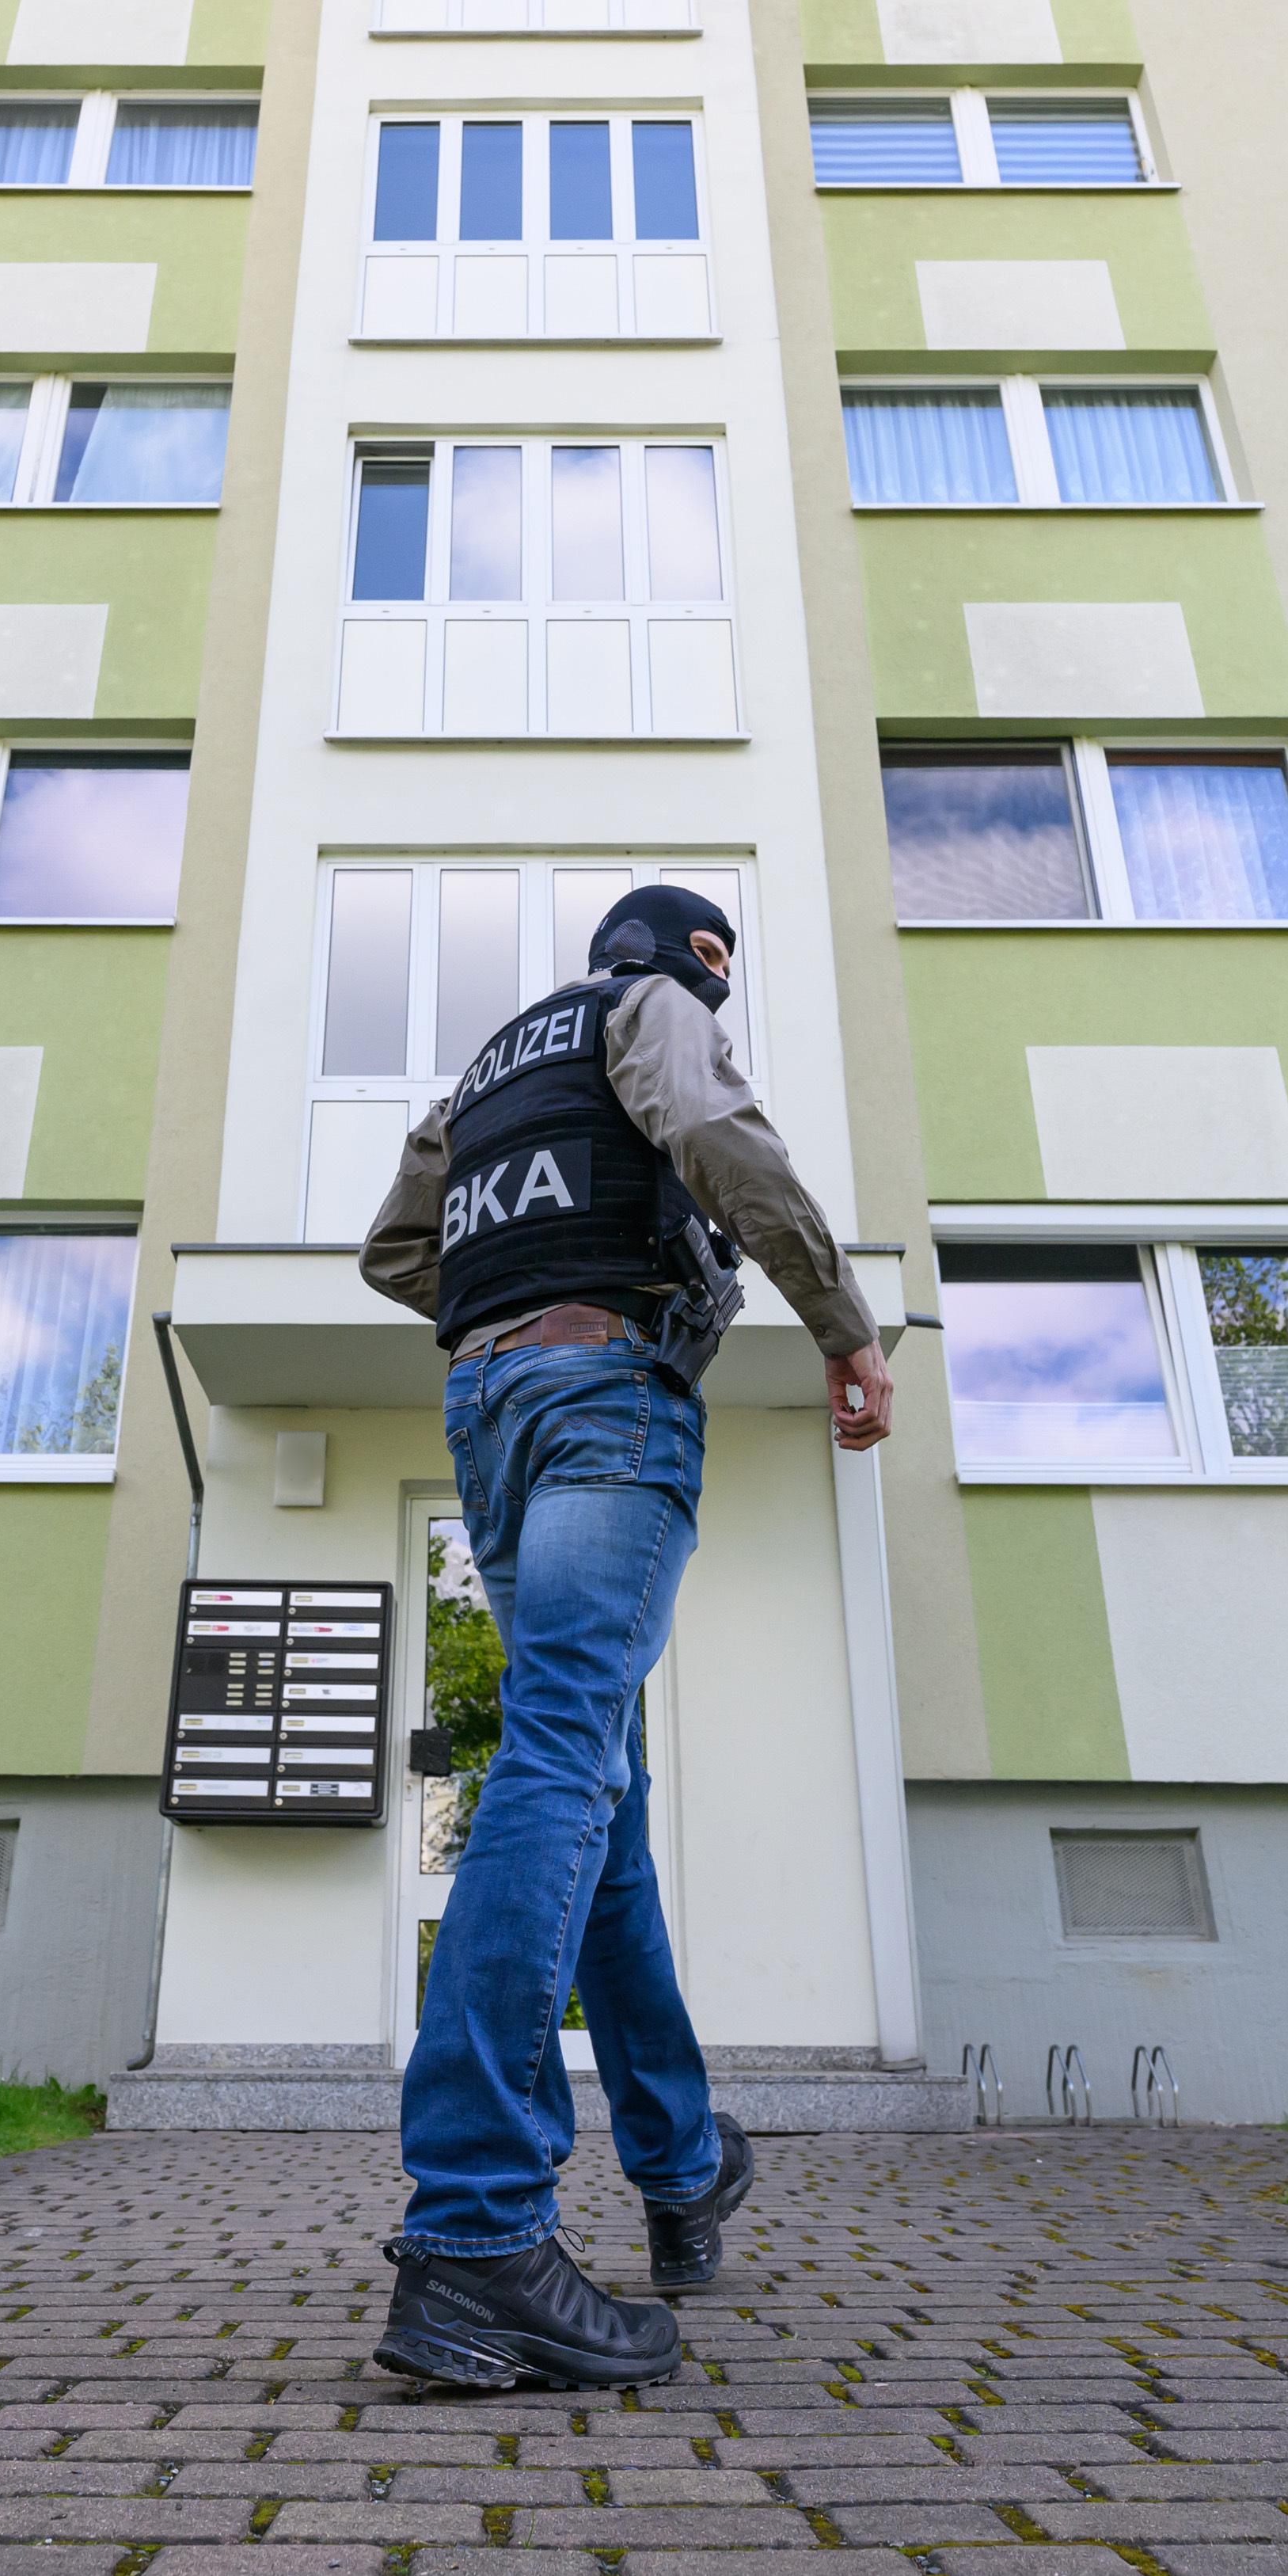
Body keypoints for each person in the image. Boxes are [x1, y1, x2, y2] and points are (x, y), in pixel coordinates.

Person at [354, 885, 892, 2389]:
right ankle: (474, 2227)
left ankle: (677, 2163)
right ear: (669, 956)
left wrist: (512, 1306)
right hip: (604, 1402)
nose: (718, 986)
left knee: (604, 1796)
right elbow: (729, 1143)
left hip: (490, 1410)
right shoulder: (646, 1013)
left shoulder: (486, 1073)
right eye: (717, 959)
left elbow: (399, 1257)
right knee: (562, 1763)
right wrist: (842, 1325)